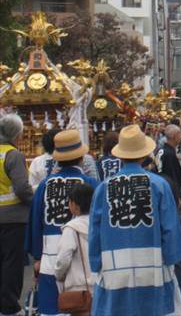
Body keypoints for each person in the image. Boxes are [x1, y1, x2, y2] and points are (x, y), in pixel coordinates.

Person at [89, 124, 181, 316]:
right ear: (144, 155)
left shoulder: (104, 188)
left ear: (120, 155)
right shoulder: (159, 184)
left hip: (114, 266)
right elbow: (170, 228)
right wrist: (174, 258)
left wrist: (96, 262)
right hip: (153, 264)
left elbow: (95, 230)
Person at [26, 129, 98, 316]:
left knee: (51, 307)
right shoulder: (90, 184)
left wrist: (37, 256)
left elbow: (35, 221)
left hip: (50, 254)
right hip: (84, 256)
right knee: (83, 306)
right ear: (81, 158)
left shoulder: (45, 184)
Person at [0, 114, 34, 316]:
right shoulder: (13, 155)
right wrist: (33, 201)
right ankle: (10, 306)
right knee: (12, 264)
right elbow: (22, 188)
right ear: (16, 134)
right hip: (13, 218)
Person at [54, 183, 95, 313]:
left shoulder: (71, 228)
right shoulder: (99, 225)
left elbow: (63, 259)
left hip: (78, 289)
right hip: (99, 286)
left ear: (74, 205)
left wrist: (58, 275)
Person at [157, 124, 181, 199]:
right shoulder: (169, 154)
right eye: (179, 135)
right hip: (170, 190)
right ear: (175, 136)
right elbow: (173, 175)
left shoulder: (162, 151)